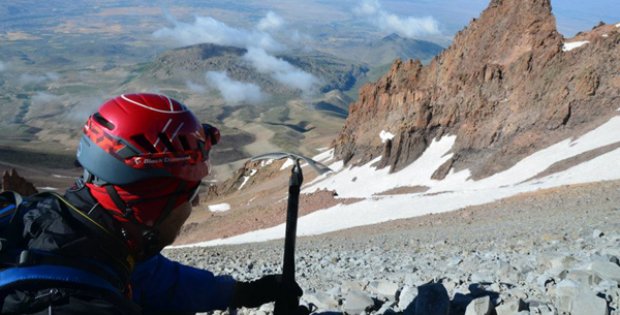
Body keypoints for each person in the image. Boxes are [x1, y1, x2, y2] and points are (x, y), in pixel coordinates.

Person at [0, 93, 303, 314]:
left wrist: (243, 292)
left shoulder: (63, 224)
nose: (192, 205)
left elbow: (156, 279)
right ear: (155, 206)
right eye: (189, 195)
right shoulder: (84, 302)